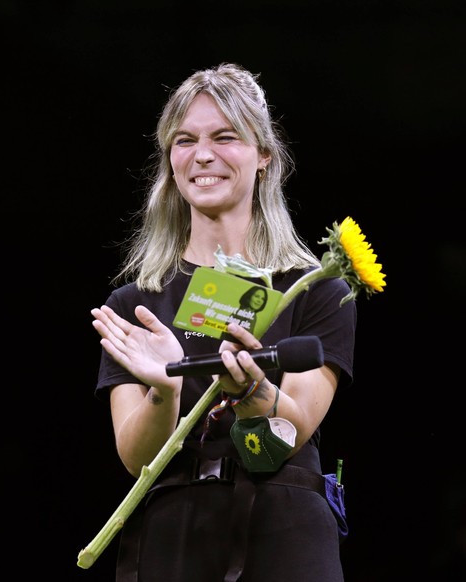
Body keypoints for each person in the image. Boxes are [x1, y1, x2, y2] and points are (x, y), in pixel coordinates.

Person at [90, 62, 356, 582]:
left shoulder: (317, 289)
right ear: (170, 161)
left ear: (264, 157)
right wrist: (164, 387)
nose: (203, 155)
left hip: (282, 534)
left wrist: (250, 391)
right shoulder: (133, 304)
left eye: (225, 137)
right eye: (184, 140)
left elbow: (288, 434)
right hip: (173, 534)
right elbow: (135, 459)